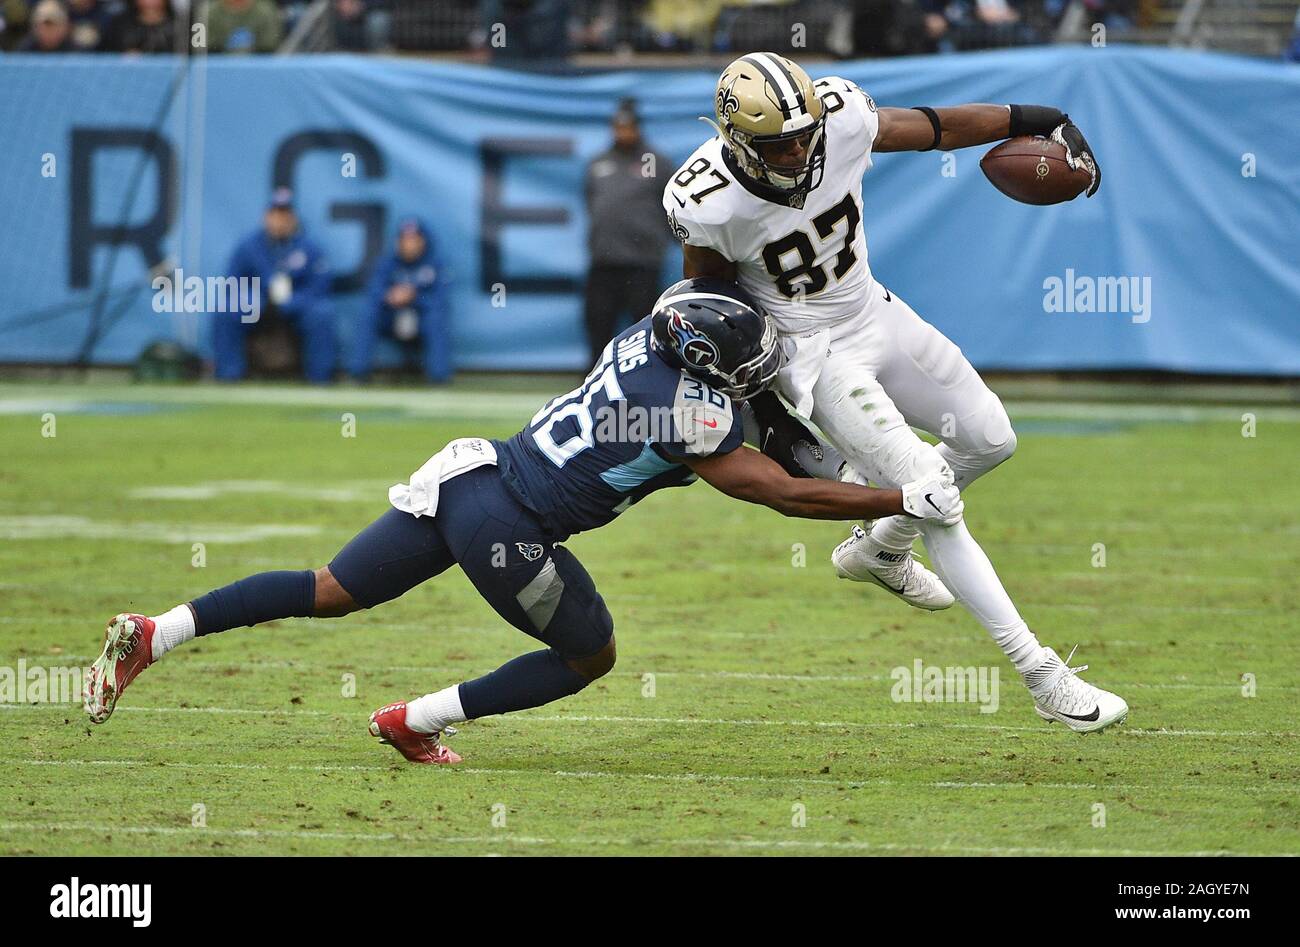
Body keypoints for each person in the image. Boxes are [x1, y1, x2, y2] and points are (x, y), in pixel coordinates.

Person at [83, 279, 963, 764]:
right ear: (701, 365)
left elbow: (754, 414)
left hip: (473, 473)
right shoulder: (691, 414)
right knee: (591, 655)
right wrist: (894, 497)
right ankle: (413, 719)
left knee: (331, 589)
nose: (752, 377)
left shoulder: (651, 330)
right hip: (511, 526)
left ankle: (156, 632)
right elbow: (779, 489)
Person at [664, 53, 1126, 732]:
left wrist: (1042, 117)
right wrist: (768, 410)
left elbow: (935, 127)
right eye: (780, 144)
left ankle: (879, 548)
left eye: (805, 135)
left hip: (875, 311)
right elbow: (713, 300)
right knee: (934, 490)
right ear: (738, 141)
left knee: (991, 438)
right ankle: (1041, 673)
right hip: (815, 355)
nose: (799, 151)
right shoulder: (708, 200)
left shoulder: (840, 118)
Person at [214, 188, 337, 383]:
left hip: (296, 305)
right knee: (227, 309)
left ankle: (319, 378)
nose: (280, 220)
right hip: (258, 303)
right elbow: (232, 283)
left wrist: (292, 302)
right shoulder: (249, 246)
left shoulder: (309, 248)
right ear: (266, 217)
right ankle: (229, 375)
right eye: (275, 214)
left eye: (285, 214)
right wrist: (255, 300)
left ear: (293, 218)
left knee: (321, 313)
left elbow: (320, 287)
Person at [582, 99, 670, 365]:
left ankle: (647, 378)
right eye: (618, 127)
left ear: (638, 128)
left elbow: (673, 205)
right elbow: (590, 201)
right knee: (598, 322)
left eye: (628, 127)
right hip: (604, 262)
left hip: (642, 263)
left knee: (644, 329)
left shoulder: (655, 162)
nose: (623, 133)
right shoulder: (598, 163)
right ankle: (594, 377)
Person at [349, 217, 451, 384]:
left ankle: (438, 377)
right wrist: (389, 295)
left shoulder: (435, 265)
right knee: (368, 313)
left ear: (422, 241)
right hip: (392, 316)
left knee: (437, 318)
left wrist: (415, 297)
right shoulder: (387, 263)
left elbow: (441, 298)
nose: (409, 244)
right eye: (404, 239)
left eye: (413, 239)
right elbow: (373, 290)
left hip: (421, 317)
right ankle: (359, 373)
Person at [203, 0, 283, 53]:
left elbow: (269, 47)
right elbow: (205, 49)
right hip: (218, 67)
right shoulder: (210, 13)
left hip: (257, 66)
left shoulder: (265, 11)